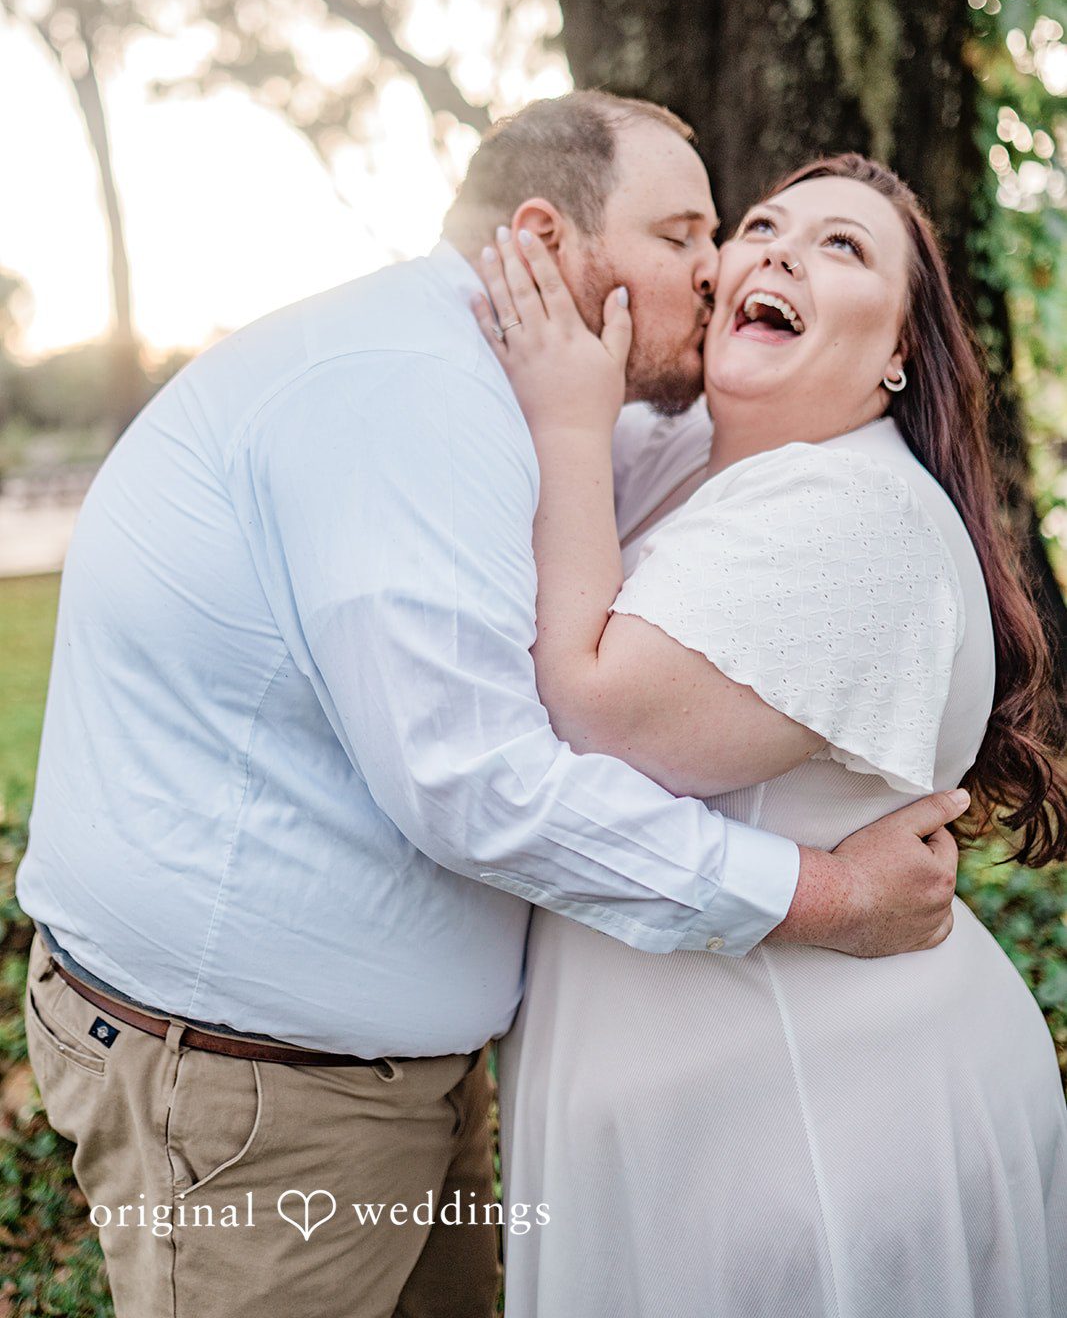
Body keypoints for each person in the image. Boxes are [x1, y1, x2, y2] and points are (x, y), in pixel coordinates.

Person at [18, 97, 969, 1318]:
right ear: (544, 237)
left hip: (381, 1080)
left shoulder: (537, 400)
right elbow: (478, 787)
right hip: (246, 1095)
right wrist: (827, 892)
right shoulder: (404, 402)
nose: (719, 263)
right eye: (683, 233)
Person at [476, 152, 1067, 1318]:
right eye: (760, 224)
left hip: (796, 1138)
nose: (776, 249)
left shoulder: (847, 515)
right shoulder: (731, 484)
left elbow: (590, 713)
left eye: (841, 245)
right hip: (710, 1107)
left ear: (901, 351)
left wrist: (565, 420)